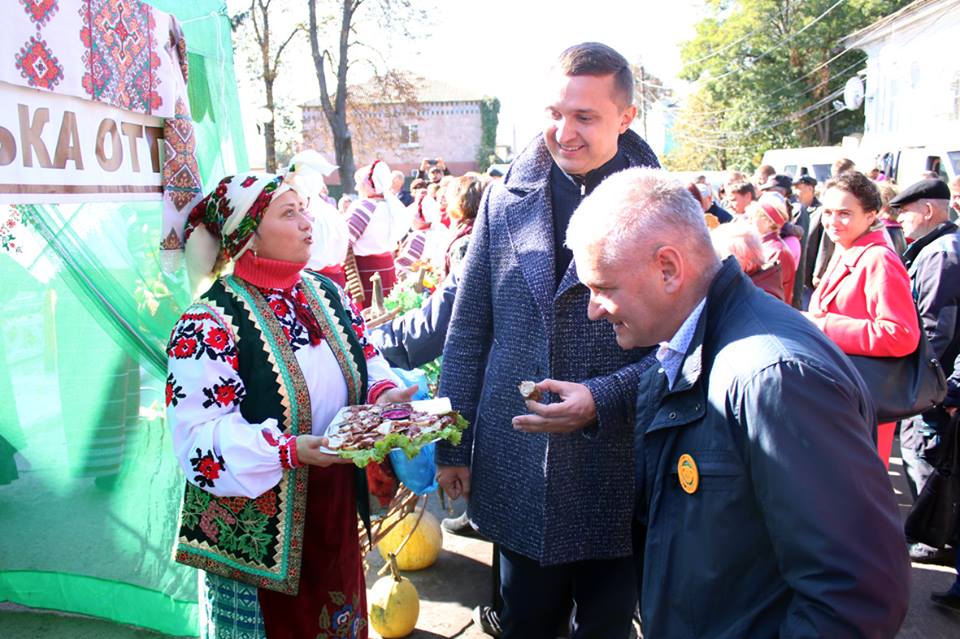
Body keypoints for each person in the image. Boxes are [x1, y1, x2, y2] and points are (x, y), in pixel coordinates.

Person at [566, 167, 910, 637]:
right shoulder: (699, 350)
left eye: (603, 288)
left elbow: (854, 597)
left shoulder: (777, 378)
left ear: (668, 268)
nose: (591, 308)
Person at [436, 42, 659, 639]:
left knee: (609, 627)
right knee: (526, 624)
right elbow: (469, 328)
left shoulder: (662, 210)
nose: (564, 132)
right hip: (519, 462)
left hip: (617, 467)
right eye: (554, 112)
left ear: (625, 118)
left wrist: (603, 397)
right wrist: (451, 443)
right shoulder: (504, 200)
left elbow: (684, 347)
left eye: (585, 116)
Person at [169, 159, 414, 638]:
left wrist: (384, 394)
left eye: (304, 209)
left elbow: (366, 356)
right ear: (247, 237)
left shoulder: (326, 294)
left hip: (331, 509)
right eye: (288, 214)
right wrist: (286, 450)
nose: (307, 222)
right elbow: (199, 440)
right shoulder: (207, 324)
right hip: (257, 535)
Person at [806, 171, 920, 468]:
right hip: (843, 394)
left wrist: (823, 325)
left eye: (844, 213)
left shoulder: (878, 258)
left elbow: (901, 334)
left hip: (862, 398)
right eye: (828, 212)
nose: (832, 221)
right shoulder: (847, 248)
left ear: (871, 215)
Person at [890, 179, 960, 574]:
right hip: (939, 385)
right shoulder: (940, 249)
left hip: (936, 388)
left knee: (927, 459)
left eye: (906, 210)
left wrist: (924, 389)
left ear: (929, 210)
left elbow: (934, 330)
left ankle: (937, 541)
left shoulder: (941, 254)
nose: (900, 219)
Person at [345, 160, 413, 306]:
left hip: (366, 269)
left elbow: (345, 239)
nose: (357, 187)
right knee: (386, 307)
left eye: (360, 183)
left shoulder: (365, 207)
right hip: (387, 265)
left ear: (370, 184)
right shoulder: (390, 206)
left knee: (370, 311)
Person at [710, 221, 784, 299]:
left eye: (719, 256)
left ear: (741, 261)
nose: (715, 262)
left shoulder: (753, 297)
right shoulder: (757, 282)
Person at [746, 194, 796, 305]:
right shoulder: (765, 245)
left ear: (769, 222)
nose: (749, 221)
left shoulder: (777, 251)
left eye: (753, 218)